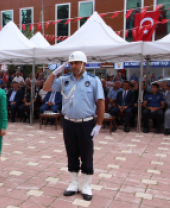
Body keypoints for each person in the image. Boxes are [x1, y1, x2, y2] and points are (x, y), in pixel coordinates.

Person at [43, 51, 105, 201]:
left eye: (77, 63)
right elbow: (46, 88)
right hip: (69, 122)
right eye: (71, 63)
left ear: (84, 64)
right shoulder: (64, 79)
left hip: (86, 123)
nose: (73, 66)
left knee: (86, 154)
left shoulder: (93, 80)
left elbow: (101, 102)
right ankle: (74, 183)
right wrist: (54, 73)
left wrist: (99, 125)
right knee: (71, 153)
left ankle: (86, 186)